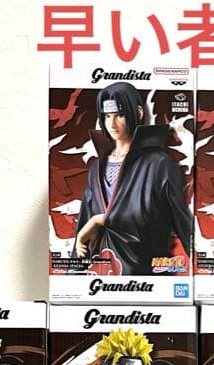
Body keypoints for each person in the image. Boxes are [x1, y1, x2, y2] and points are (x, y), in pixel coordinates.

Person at [74, 81, 192, 274]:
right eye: (107, 116)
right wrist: (74, 271)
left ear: (138, 113)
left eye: (119, 115)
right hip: (101, 273)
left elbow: (166, 219)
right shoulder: (97, 168)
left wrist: (101, 219)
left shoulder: (159, 163)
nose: (112, 124)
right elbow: (84, 226)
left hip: (145, 271)